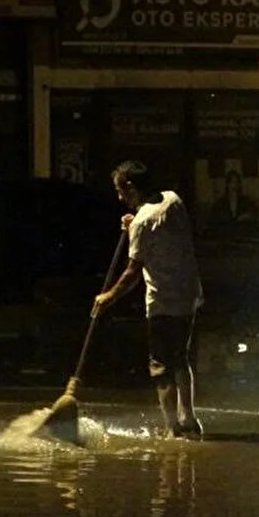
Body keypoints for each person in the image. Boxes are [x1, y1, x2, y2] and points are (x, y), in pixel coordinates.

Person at [92, 160, 205, 438]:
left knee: (159, 365)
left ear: (131, 187)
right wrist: (135, 222)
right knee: (181, 357)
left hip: (162, 300)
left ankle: (172, 427)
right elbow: (161, 230)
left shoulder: (143, 221)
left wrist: (107, 297)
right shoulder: (173, 200)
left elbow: (133, 272)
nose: (119, 198)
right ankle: (189, 418)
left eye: (120, 191)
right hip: (188, 293)